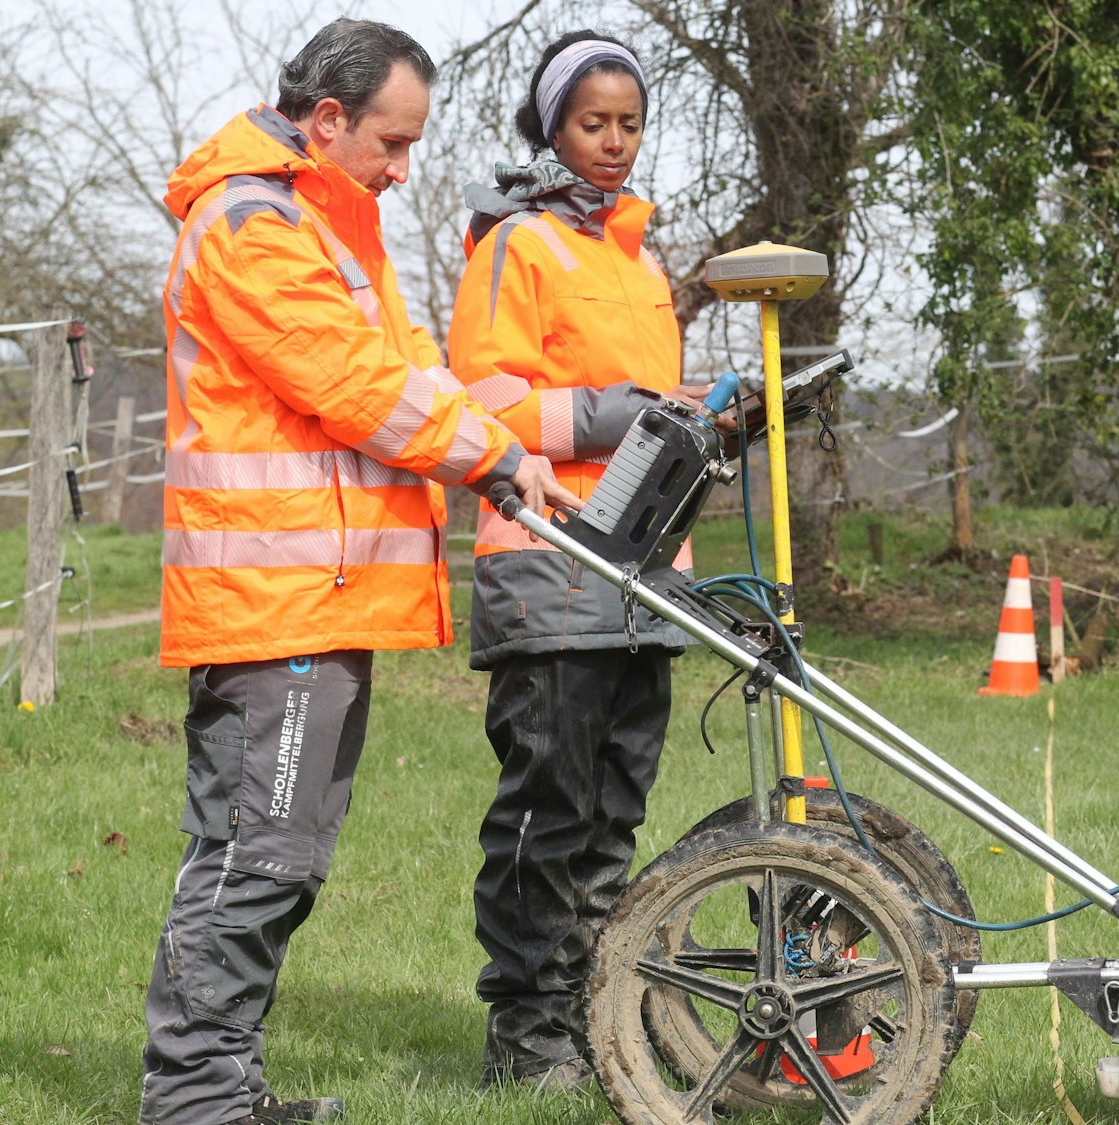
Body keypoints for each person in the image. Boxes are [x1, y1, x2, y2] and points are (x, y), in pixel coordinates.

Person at [140, 18, 575, 1125]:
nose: (402, 167)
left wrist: (507, 457)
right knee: (254, 863)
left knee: (278, 862)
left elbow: (408, 369)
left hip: (314, 599)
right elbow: (348, 384)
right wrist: (493, 455)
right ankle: (194, 1105)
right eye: (391, 142)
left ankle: (227, 1091)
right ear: (326, 120)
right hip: (270, 604)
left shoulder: (331, 228)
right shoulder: (248, 224)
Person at [446, 30, 715, 1090]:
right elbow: (482, 404)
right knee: (548, 810)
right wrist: (615, 410)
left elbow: (650, 419)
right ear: (549, 126)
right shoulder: (515, 246)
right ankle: (527, 1035)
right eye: (591, 123)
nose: (613, 143)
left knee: (614, 810)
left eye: (629, 124)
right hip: (547, 563)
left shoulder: (640, 259)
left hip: (645, 571)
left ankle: (599, 1015)